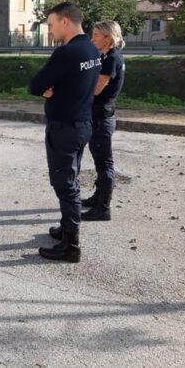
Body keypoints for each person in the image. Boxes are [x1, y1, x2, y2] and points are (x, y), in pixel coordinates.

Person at [28, 2, 101, 263]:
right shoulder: (92, 49)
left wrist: (50, 89)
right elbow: (80, 83)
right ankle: (65, 227)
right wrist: (56, 88)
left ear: (65, 22)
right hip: (83, 125)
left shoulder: (66, 53)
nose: (50, 29)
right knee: (71, 177)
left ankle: (71, 245)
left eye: (51, 24)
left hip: (64, 128)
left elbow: (36, 85)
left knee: (65, 185)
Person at [81, 20, 125, 222]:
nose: (92, 39)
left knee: (105, 163)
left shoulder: (111, 58)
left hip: (101, 116)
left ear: (108, 37)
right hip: (100, 115)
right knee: (100, 162)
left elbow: (97, 88)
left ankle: (103, 209)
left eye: (96, 35)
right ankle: (98, 198)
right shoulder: (107, 56)